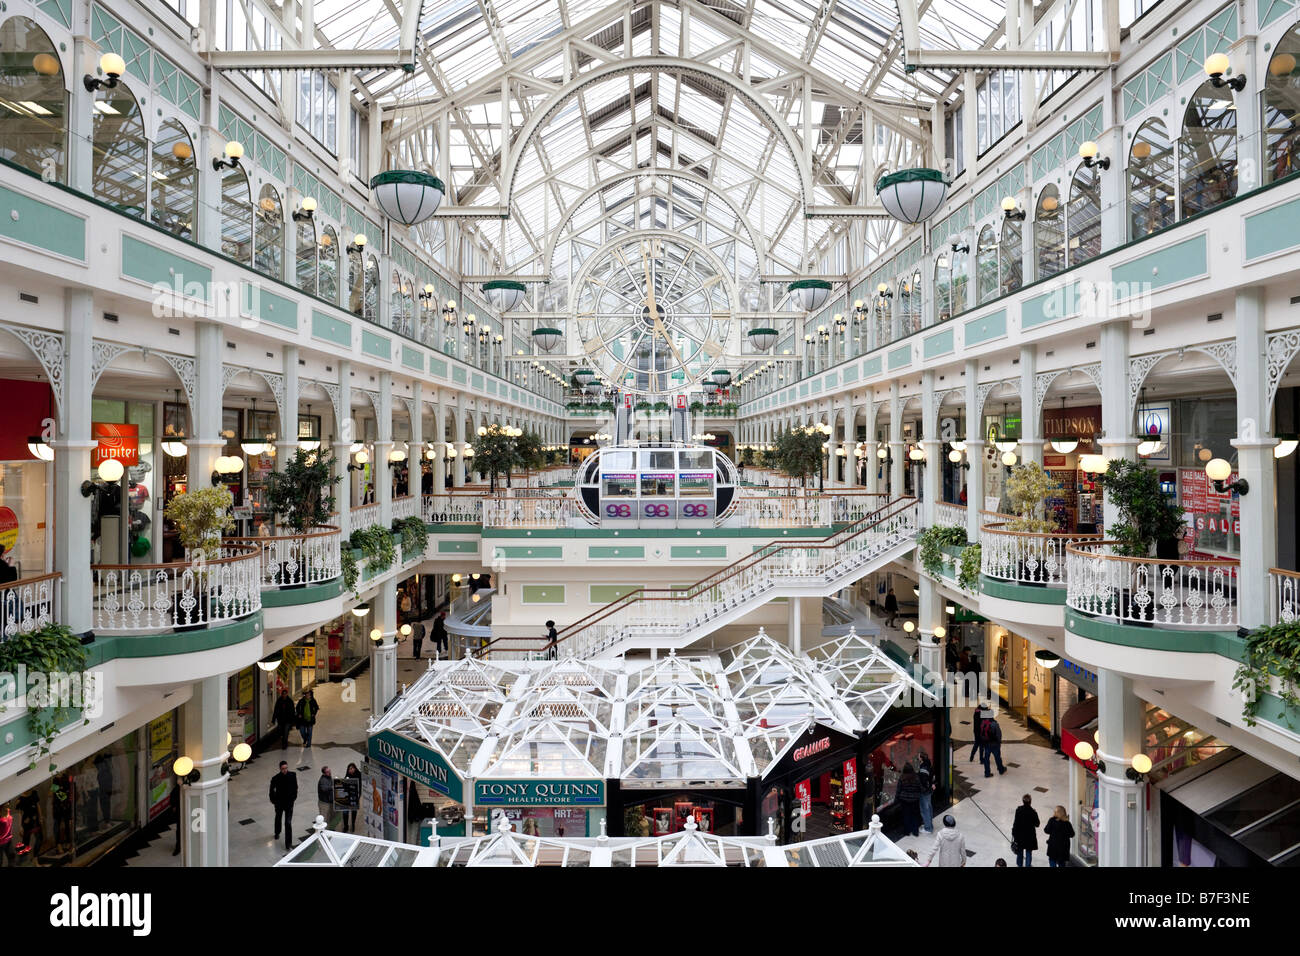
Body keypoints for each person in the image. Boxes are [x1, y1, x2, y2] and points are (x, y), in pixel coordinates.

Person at [269, 761, 298, 851]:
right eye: (283, 769)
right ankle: (277, 832)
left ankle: (288, 844)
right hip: (279, 803)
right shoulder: (275, 778)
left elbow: (295, 787)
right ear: (280, 769)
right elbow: (271, 791)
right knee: (278, 817)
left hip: (289, 804)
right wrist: (274, 801)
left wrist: (293, 798)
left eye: (286, 768)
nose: (285, 770)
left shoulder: (293, 775)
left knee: (288, 823)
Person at [895, 763, 923, 837]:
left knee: (906, 816)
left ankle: (906, 831)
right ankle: (915, 831)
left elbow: (899, 789)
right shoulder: (916, 777)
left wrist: (896, 798)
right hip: (914, 799)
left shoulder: (902, 778)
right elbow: (920, 788)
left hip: (904, 800)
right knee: (915, 815)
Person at [1012, 793, 1040, 867]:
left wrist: (1014, 833)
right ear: (1030, 802)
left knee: (1020, 852)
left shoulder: (1018, 810)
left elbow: (1015, 823)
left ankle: (1019, 865)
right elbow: (1037, 824)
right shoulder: (1033, 812)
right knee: (1028, 853)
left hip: (1020, 836)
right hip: (1029, 837)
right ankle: (1028, 865)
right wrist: (1036, 813)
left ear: (1023, 801)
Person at [17, 789, 42, 860]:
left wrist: (40, 817)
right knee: (25, 842)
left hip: (35, 821)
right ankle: (23, 861)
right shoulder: (20, 799)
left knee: (39, 839)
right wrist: (20, 826)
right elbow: (20, 813)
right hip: (26, 823)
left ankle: (35, 858)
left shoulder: (34, 793)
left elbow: (38, 805)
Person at [982, 711, 1006, 777]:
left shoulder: (984, 722)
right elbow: (999, 734)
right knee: (997, 757)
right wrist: (999, 742)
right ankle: (1001, 770)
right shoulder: (994, 724)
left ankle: (987, 773)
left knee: (986, 758)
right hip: (994, 744)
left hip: (986, 744)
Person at [916, 751, 935, 833]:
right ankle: (929, 824)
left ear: (921, 758)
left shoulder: (923, 768)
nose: (918, 757)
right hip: (929, 791)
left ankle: (928, 828)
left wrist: (924, 789)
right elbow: (933, 776)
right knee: (929, 807)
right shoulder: (929, 765)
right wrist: (932, 784)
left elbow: (924, 781)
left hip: (925, 792)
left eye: (918, 756)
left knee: (925, 809)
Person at [341, 764, 362, 833]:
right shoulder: (347, 776)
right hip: (347, 797)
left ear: (355, 768)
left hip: (354, 797)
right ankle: (346, 826)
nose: (350, 770)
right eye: (349, 769)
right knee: (345, 813)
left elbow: (361, 786)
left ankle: (353, 824)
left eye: (352, 768)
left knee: (353, 811)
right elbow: (343, 785)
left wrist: (358, 795)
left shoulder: (359, 775)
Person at [170, 780, 182, 856]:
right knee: (179, 830)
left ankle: (179, 847)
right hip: (180, 811)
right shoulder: (178, 788)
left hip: (186, 811)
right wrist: (174, 806)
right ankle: (178, 847)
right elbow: (173, 796)